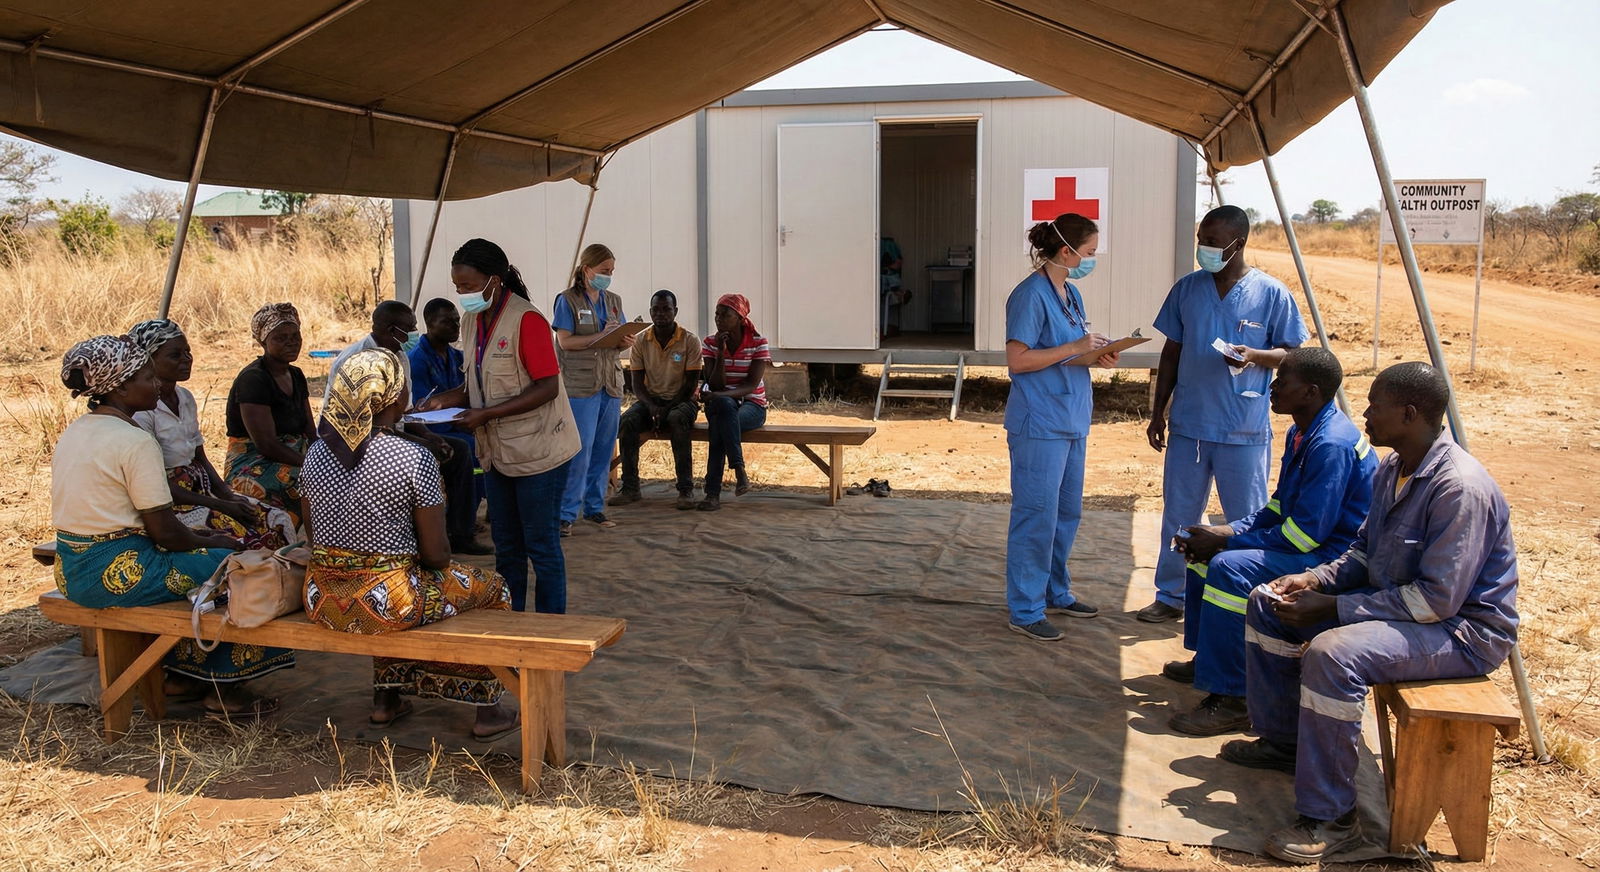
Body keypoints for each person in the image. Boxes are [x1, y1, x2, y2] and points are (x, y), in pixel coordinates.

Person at [1220, 362, 1518, 864]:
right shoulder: (1392, 467)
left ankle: (1333, 818)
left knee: (1335, 654)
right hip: (1403, 611)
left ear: (1409, 413)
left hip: (1461, 631)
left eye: (1375, 406)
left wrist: (1337, 608)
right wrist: (1313, 580)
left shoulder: (1459, 489)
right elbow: (1362, 553)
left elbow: (1436, 601)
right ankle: (1285, 742)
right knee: (1267, 603)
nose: (1364, 412)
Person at [52, 334, 291, 717]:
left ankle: (184, 675)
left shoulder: (77, 431)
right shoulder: (134, 441)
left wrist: (203, 536)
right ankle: (223, 687)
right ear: (121, 386)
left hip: (72, 569)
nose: (157, 385)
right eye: (148, 377)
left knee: (211, 554)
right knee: (241, 566)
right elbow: (165, 533)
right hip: (116, 571)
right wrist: (216, 541)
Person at [300, 348, 517, 739]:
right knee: (490, 588)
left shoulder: (316, 453)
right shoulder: (413, 457)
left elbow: (318, 540)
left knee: (392, 585)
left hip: (323, 598)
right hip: (387, 604)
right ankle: (488, 710)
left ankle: (387, 700)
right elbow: (437, 556)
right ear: (393, 397)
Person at [1165, 348, 1376, 734]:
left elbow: (1305, 535)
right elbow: (1277, 508)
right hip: (1310, 545)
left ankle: (1235, 697)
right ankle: (1211, 660)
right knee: (1198, 552)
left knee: (1228, 569)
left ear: (1310, 392)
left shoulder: (1330, 444)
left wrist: (1227, 547)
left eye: (1282, 382)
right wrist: (1222, 532)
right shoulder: (1302, 431)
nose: (1273, 387)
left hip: (1332, 560)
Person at [1140, 205, 1309, 624]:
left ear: (1239, 243)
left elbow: (1293, 354)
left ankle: (1241, 597)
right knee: (1180, 515)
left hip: (1243, 427)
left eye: (1213, 242)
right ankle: (1172, 594)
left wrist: (1255, 356)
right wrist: (1158, 411)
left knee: (1245, 520)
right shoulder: (1187, 289)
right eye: (1202, 239)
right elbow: (1172, 350)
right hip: (1190, 425)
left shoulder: (1271, 294)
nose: (1205, 249)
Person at [416, 238, 579, 613]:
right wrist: (447, 398)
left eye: (469, 286)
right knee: (507, 546)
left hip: (539, 450)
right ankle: (511, 623)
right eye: (457, 287)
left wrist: (486, 414)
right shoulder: (474, 319)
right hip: (497, 451)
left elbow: (548, 387)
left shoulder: (528, 320)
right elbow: (476, 381)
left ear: (495, 280)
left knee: (541, 545)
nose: (462, 294)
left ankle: (551, 631)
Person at [1002, 214, 1120, 642]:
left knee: (1066, 513)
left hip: (1070, 417)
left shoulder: (1070, 293)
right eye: (1088, 253)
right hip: (1040, 422)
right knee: (1036, 514)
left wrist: (1097, 355)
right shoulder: (1029, 296)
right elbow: (1018, 360)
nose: (1091, 260)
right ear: (1066, 251)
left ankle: (1055, 590)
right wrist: (1074, 347)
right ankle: (1025, 608)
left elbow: (1065, 354)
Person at [327, 300, 487, 555]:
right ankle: (421, 538)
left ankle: (460, 533)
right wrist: (422, 444)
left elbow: (406, 412)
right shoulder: (355, 359)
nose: (415, 333)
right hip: (359, 440)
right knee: (421, 458)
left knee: (458, 451)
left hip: (395, 433)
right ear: (393, 330)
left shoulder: (401, 356)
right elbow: (354, 426)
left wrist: (430, 437)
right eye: (410, 328)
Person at [127, 319, 290, 549]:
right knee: (238, 538)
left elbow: (199, 457)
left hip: (199, 491)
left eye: (188, 352)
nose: (187, 359)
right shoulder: (143, 412)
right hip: (170, 502)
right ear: (149, 361)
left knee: (275, 519)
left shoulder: (184, 398)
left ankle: (278, 579)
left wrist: (227, 495)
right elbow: (157, 485)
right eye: (176, 355)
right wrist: (222, 506)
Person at [552, 243, 632, 535]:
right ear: (586, 269)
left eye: (611, 271)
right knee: (579, 450)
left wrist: (624, 340)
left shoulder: (613, 300)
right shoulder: (567, 301)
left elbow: (620, 334)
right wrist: (600, 337)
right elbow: (565, 342)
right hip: (580, 385)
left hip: (609, 384)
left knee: (603, 449)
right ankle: (565, 513)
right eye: (603, 271)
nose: (608, 276)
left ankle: (595, 507)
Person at [225, 303, 317, 523]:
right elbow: (266, 445)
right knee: (312, 482)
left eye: (295, 335)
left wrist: (322, 457)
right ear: (263, 341)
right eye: (281, 337)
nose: (291, 342)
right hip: (255, 461)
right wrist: (312, 465)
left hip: (292, 453)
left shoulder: (295, 374)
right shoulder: (254, 379)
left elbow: (310, 430)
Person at [610, 289, 701, 510]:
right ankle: (630, 488)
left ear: (675, 311)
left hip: (682, 401)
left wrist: (668, 407)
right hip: (651, 401)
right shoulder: (641, 341)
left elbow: (690, 384)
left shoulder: (690, 340)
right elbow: (637, 384)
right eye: (656, 309)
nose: (661, 314)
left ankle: (685, 489)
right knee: (628, 421)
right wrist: (652, 406)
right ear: (650, 312)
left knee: (678, 420)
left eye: (666, 309)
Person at [409, 296, 485, 509]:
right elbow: (420, 411)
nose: (455, 326)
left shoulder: (458, 357)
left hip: (460, 425)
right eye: (447, 322)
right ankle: (467, 510)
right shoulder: (416, 360)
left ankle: (486, 502)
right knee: (471, 448)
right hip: (430, 430)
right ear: (430, 323)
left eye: (457, 321)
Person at [697, 293, 770, 512]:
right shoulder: (710, 342)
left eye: (725, 314)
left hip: (752, 405)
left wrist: (719, 396)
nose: (718, 319)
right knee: (724, 411)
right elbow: (716, 384)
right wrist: (721, 351)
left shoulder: (758, 343)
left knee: (722, 425)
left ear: (740, 318)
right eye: (716, 314)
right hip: (721, 404)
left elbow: (750, 385)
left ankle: (713, 493)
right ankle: (739, 470)